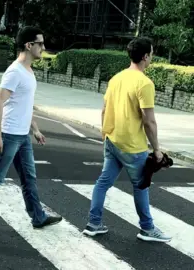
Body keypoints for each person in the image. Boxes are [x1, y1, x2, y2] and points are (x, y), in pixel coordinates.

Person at [0, 26, 63, 235]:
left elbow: (24, 105)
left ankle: (38, 217)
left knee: (29, 178)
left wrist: (35, 129)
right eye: (40, 43)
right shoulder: (15, 71)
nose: (43, 47)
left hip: (23, 136)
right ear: (29, 46)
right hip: (10, 135)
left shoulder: (28, 71)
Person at [82, 37, 171, 242]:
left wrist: (105, 134)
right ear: (145, 56)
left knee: (103, 182)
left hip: (112, 140)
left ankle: (93, 223)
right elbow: (149, 121)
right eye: (151, 54)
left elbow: (104, 109)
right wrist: (157, 150)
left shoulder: (117, 78)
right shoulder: (145, 83)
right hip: (132, 145)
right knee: (141, 185)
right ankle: (147, 229)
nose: (152, 57)